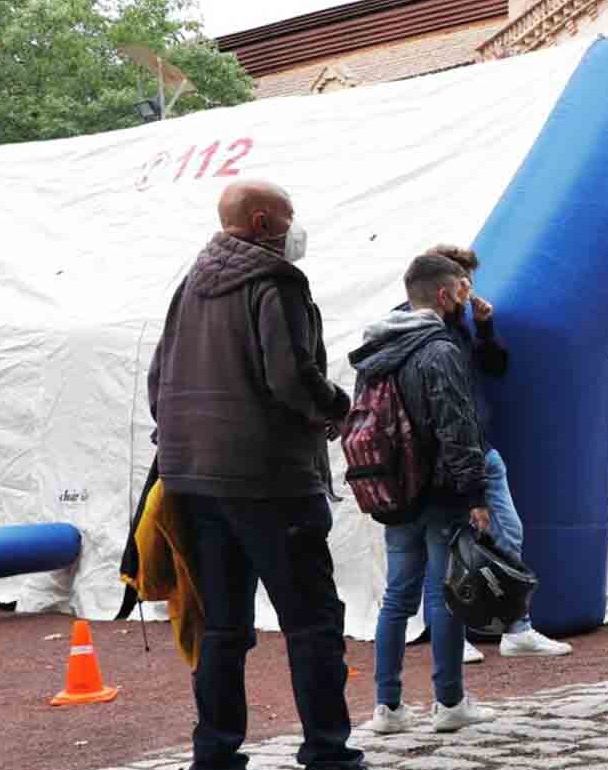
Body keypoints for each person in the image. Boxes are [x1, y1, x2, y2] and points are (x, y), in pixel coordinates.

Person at [148, 180, 363, 770]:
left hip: (193, 480)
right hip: (271, 482)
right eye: (290, 215)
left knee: (222, 627)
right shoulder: (276, 282)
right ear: (265, 221)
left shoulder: (189, 285)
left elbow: (156, 380)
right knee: (312, 623)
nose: (297, 226)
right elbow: (290, 376)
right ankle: (327, 751)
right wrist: (336, 407)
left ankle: (214, 753)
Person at [351, 251, 498, 734]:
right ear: (442, 294)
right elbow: (458, 427)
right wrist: (475, 494)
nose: (466, 295)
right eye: (461, 287)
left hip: (392, 489)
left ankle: (387, 707)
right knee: (445, 594)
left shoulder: (375, 348)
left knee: (397, 597)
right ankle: (449, 702)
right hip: (439, 492)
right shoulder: (440, 350)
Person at [435, 246, 573, 659]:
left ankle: (517, 628)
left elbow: (494, 368)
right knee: (448, 546)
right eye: (464, 280)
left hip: (483, 449)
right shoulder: (426, 328)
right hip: (449, 457)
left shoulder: (461, 325)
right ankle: (451, 635)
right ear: (447, 284)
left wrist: (486, 326)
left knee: (509, 532)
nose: (471, 287)